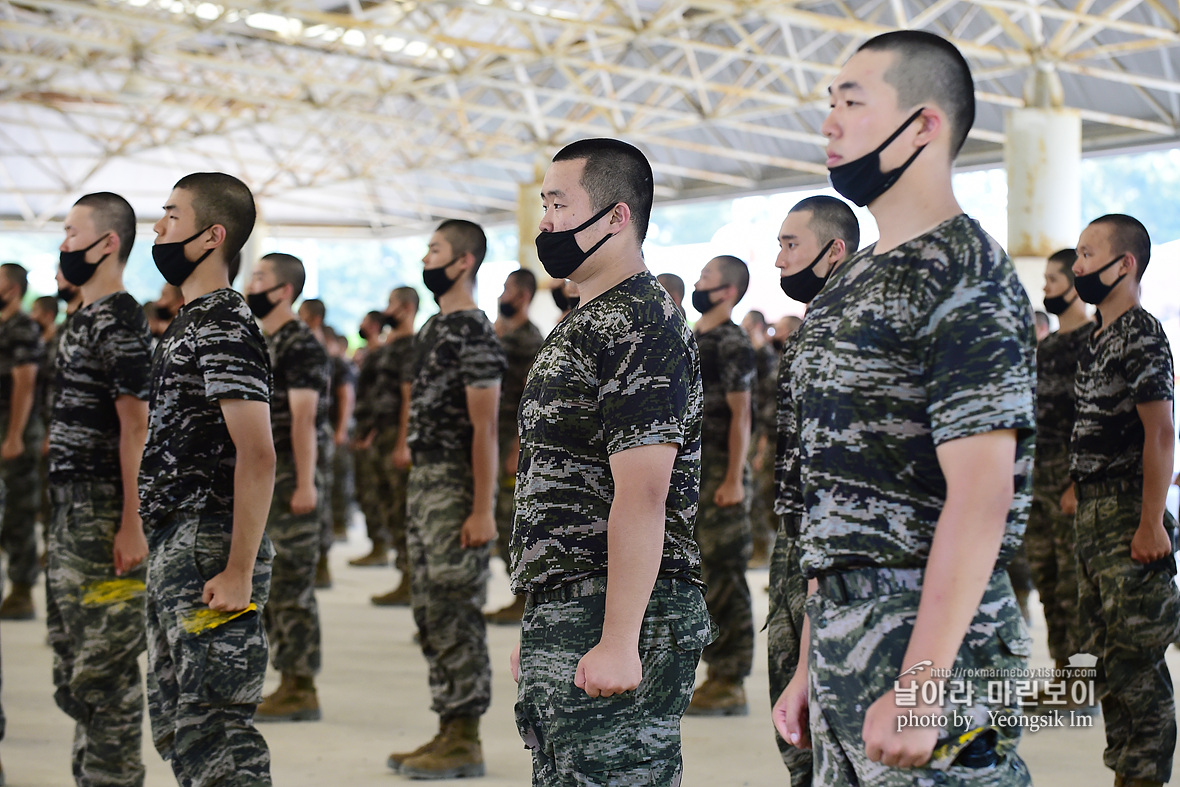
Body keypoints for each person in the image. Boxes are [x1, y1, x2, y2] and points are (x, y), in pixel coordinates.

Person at [773, 31, 1035, 784]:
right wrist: (811, 661)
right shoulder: (852, 282)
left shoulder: (965, 273)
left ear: (925, 125)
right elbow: (840, 497)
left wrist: (922, 687)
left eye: (852, 103)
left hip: (936, 641)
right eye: (830, 102)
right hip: (845, 632)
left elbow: (983, 495)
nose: (830, 122)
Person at [511, 138, 711, 785]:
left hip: (624, 608)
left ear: (617, 217)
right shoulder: (588, 318)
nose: (545, 223)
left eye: (559, 204)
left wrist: (621, 638)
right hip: (575, 603)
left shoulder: (638, 321)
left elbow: (644, 492)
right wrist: (546, 614)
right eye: (544, 204)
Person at [141, 172, 275, 786]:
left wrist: (240, 569)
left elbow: (258, 453)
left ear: (211, 236)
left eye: (172, 216)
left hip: (210, 541)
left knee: (215, 730)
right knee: (181, 726)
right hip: (180, 539)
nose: (159, 228)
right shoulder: (192, 321)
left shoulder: (222, 322)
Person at [386, 220, 505, 779]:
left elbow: (485, 428)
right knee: (431, 610)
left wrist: (482, 508)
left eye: (435, 250)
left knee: (455, 607)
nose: (425, 258)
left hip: (456, 483)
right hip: (426, 481)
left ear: (463, 262)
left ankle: (465, 736)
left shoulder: (473, 331)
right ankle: (447, 725)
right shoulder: (436, 326)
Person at [1069, 214, 1179, 787]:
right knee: (1107, 659)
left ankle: (1143, 777)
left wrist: (1151, 523)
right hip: (1093, 515)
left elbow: (1161, 431)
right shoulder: (1098, 336)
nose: (1077, 266)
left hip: (1125, 512)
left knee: (1137, 661)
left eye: (1088, 255)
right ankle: (1126, 772)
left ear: (1125, 265)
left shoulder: (1139, 332)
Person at [47, 191, 153, 786]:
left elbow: (137, 426)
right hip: (68, 512)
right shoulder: (83, 317)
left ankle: (113, 778)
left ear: (106, 243)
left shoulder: (119, 319)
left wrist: (131, 523)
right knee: (72, 665)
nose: (63, 245)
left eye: (71, 232)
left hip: (104, 511)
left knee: (105, 667)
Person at [765, 194, 859, 784]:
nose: (779, 261)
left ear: (835, 250)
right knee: (789, 699)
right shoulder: (812, 329)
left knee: (832, 710)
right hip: (794, 533)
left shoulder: (850, 329)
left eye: (790, 245)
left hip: (833, 543)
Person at [248, 252, 331, 723]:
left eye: (260, 278)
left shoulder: (299, 344)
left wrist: (304, 483)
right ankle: (284, 676)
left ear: (283, 290)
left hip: (290, 476)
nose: (251, 284)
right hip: (263, 477)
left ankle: (300, 685)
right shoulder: (260, 339)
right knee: (269, 583)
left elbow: (303, 421)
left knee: (292, 584)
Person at [684, 254, 756, 717]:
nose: (698, 283)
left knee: (724, 575)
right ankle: (711, 670)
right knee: (701, 573)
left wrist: (733, 477)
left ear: (727, 291)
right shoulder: (696, 337)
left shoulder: (731, 341)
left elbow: (742, 414)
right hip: (694, 471)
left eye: (706, 278)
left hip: (719, 472)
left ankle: (729, 678)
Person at [1025, 249, 1092, 691]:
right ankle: (1064, 674)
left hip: (1071, 480)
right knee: (1046, 577)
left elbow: (1093, 420)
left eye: (1053, 279)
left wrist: (1076, 482)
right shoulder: (1046, 348)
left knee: (1074, 584)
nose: (1046, 287)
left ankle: (1083, 682)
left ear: (1073, 283)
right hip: (1038, 477)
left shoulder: (1093, 341)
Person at [486, 268, 543, 625]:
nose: (500, 296)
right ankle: (517, 595)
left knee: (512, 520)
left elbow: (531, 396)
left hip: (512, 437)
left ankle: (524, 598)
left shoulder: (529, 339)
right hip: (495, 436)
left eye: (507, 290)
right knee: (498, 518)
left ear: (522, 296)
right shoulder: (504, 334)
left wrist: (517, 448)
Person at [0, 262, 46, 620]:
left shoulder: (23, 328)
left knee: (18, 512)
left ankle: (21, 589)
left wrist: (14, 434)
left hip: (14, 432)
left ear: (12, 289)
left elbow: (25, 383)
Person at [368, 287, 418, 606]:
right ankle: (404, 574)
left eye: (391, 304)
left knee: (402, 509)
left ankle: (410, 578)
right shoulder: (390, 347)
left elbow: (408, 397)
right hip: (382, 434)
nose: (386, 309)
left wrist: (403, 442)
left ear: (405, 308)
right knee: (388, 504)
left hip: (396, 438)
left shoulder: (410, 347)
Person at [741, 309, 779, 567]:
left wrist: (762, 444)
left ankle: (763, 550)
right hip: (756, 430)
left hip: (765, 432)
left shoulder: (765, 353)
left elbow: (769, 400)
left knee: (761, 493)